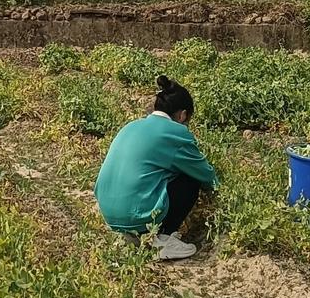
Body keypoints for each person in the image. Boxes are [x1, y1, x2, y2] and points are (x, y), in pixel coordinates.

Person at [94, 75, 219, 260]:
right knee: (191, 180)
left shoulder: (132, 126)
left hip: (108, 213)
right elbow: (206, 175)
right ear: (183, 115)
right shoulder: (175, 132)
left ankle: (130, 236)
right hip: (135, 215)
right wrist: (218, 191)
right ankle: (161, 239)